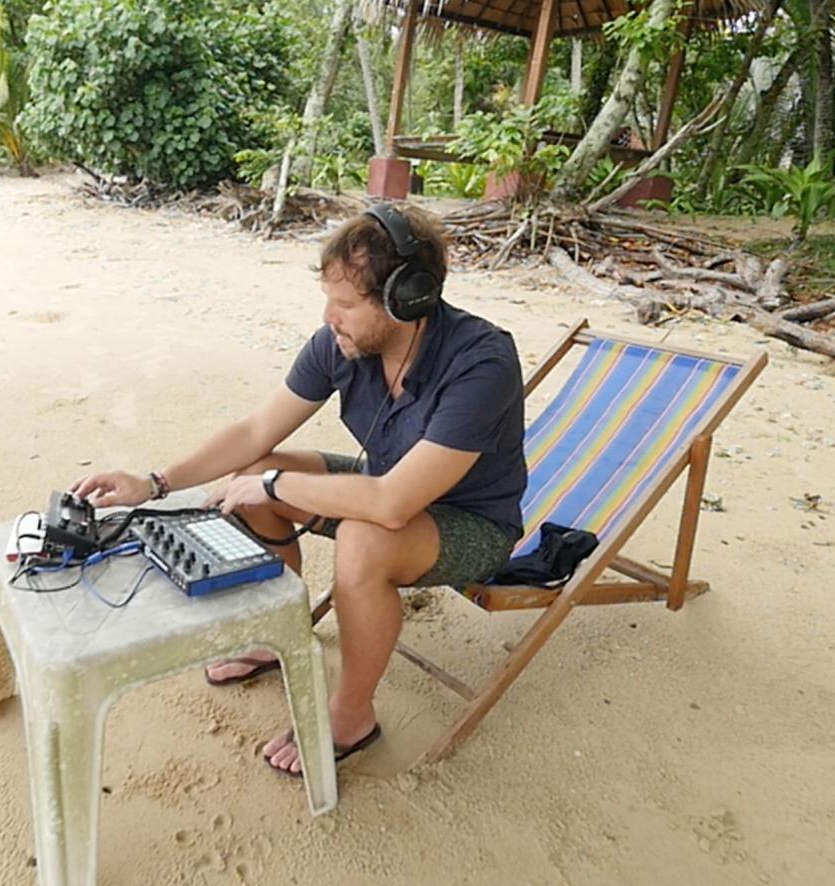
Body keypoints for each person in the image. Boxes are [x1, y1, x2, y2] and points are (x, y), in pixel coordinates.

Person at [72, 204, 527, 776]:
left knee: (358, 534)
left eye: (345, 304)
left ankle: (350, 716)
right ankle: (274, 637)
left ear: (406, 299)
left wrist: (274, 485)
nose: (329, 317)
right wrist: (154, 482)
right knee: (255, 468)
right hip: (381, 489)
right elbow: (256, 432)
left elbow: (392, 505)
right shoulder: (340, 343)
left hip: (468, 522)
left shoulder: (482, 360)